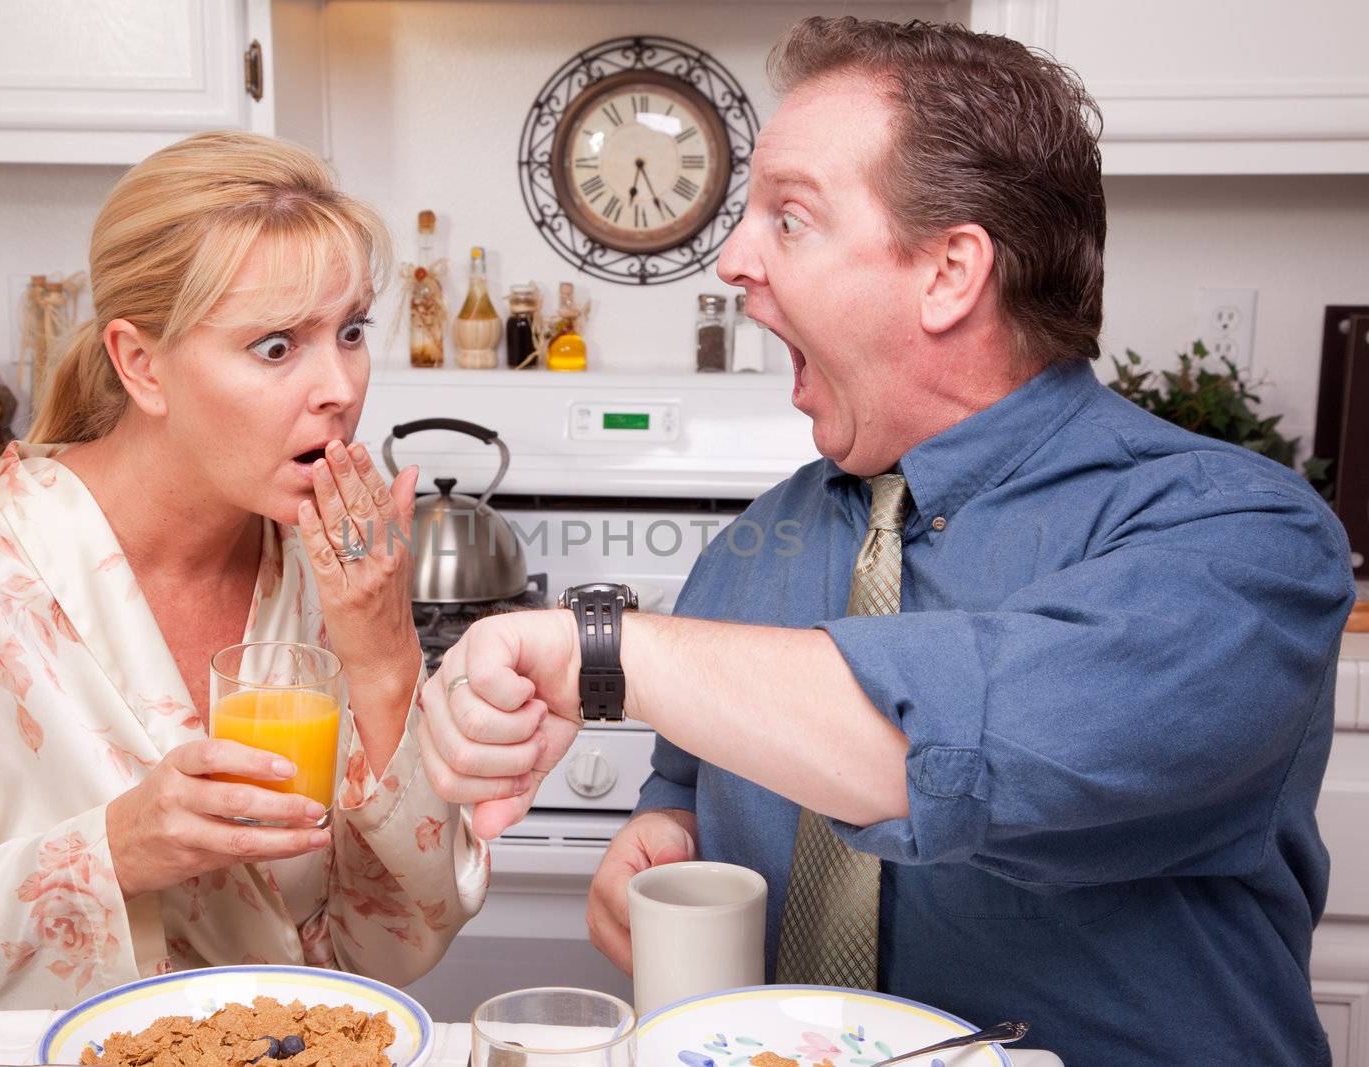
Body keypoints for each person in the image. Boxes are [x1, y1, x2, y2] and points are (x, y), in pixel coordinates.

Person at [414, 17, 1355, 1065]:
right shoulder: (751, 548)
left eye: (790, 218)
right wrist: (667, 836)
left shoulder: (1238, 535)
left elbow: (956, 743)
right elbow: (685, 779)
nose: (732, 261)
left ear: (949, 272)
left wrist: (597, 648)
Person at [0, 132, 486, 1064]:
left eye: (351, 330)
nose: (341, 387)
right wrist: (107, 854)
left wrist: (387, 665)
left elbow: (383, 951)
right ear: (141, 364)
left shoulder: (327, 573)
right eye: (277, 346)